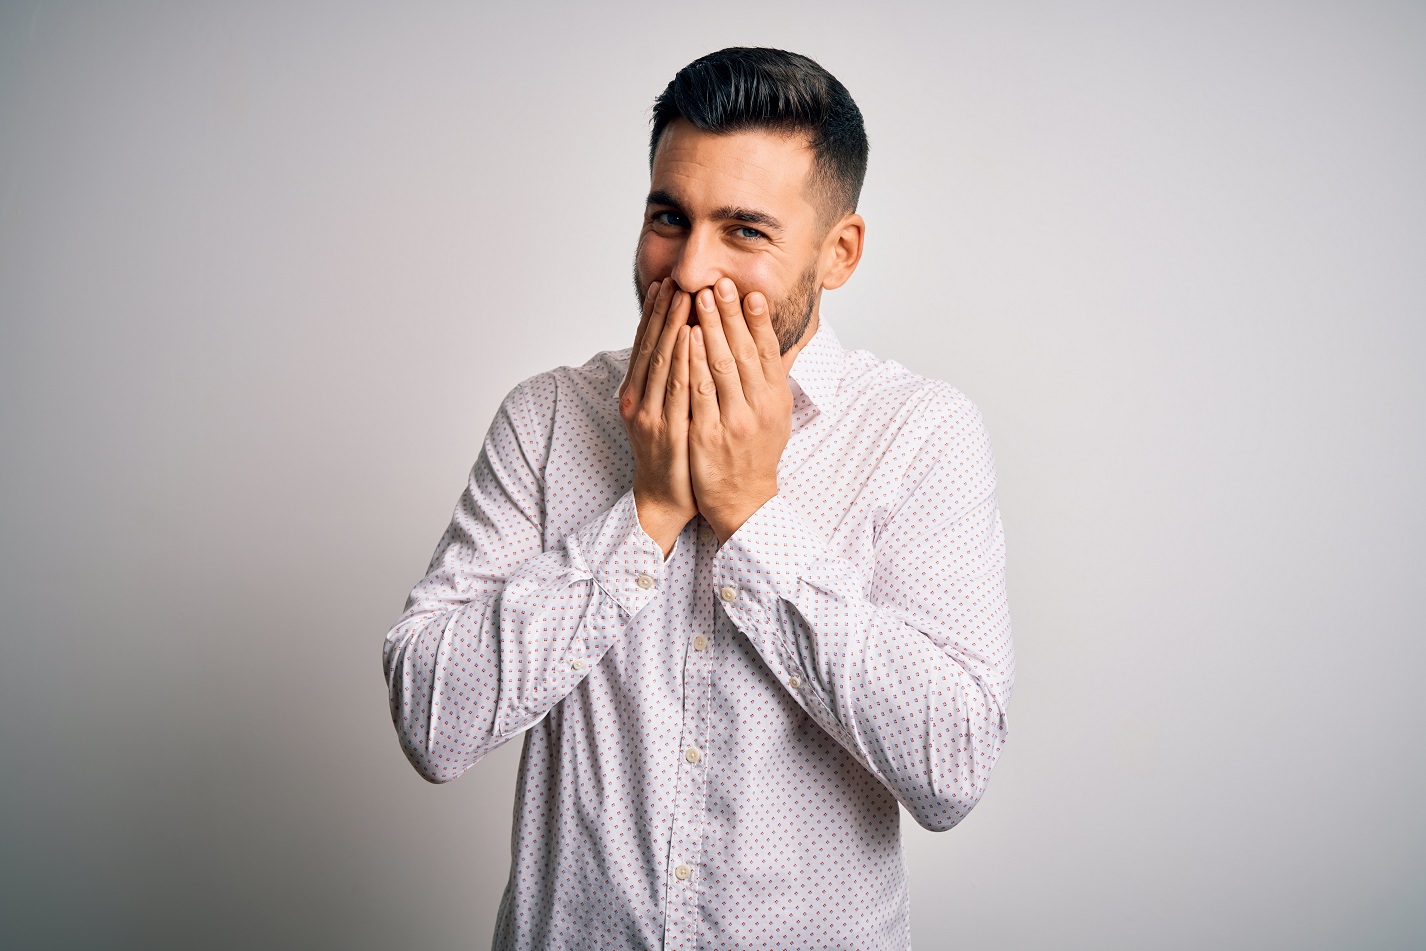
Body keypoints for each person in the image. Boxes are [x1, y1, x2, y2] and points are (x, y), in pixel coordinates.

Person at [382, 47, 1015, 951]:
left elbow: (951, 767)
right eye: (668, 217)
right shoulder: (548, 417)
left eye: (745, 231)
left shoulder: (922, 434)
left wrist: (753, 511)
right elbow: (433, 722)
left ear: (839, 253)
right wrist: (645, 514)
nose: (686, 270)